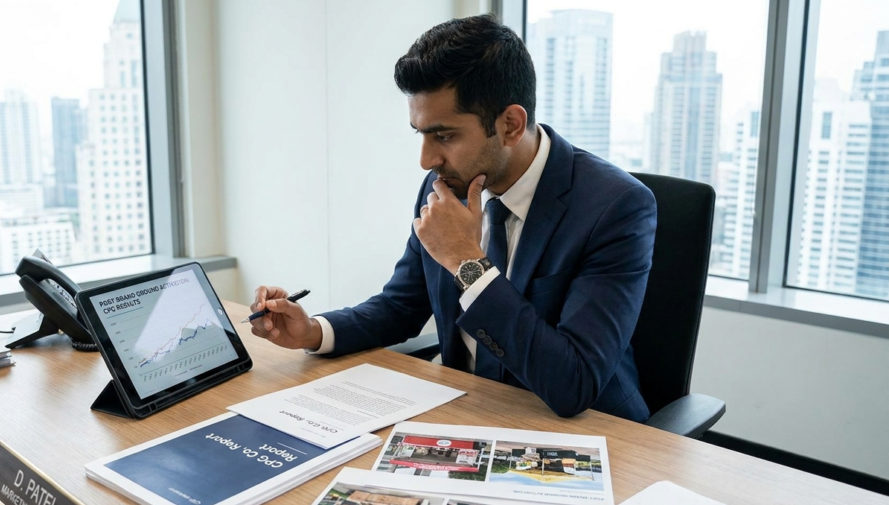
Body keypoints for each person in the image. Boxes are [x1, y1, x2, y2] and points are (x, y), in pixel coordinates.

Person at [249, 14, 656, 422]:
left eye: (444, 136)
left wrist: (467, 262)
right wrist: (314, 331)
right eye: (420, 134)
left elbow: (574, 384)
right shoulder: (445, 185)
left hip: (589, 430)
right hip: (468, 411)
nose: (426, 160)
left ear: (510, 125)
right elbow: (400, 307)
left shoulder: (616, 206)